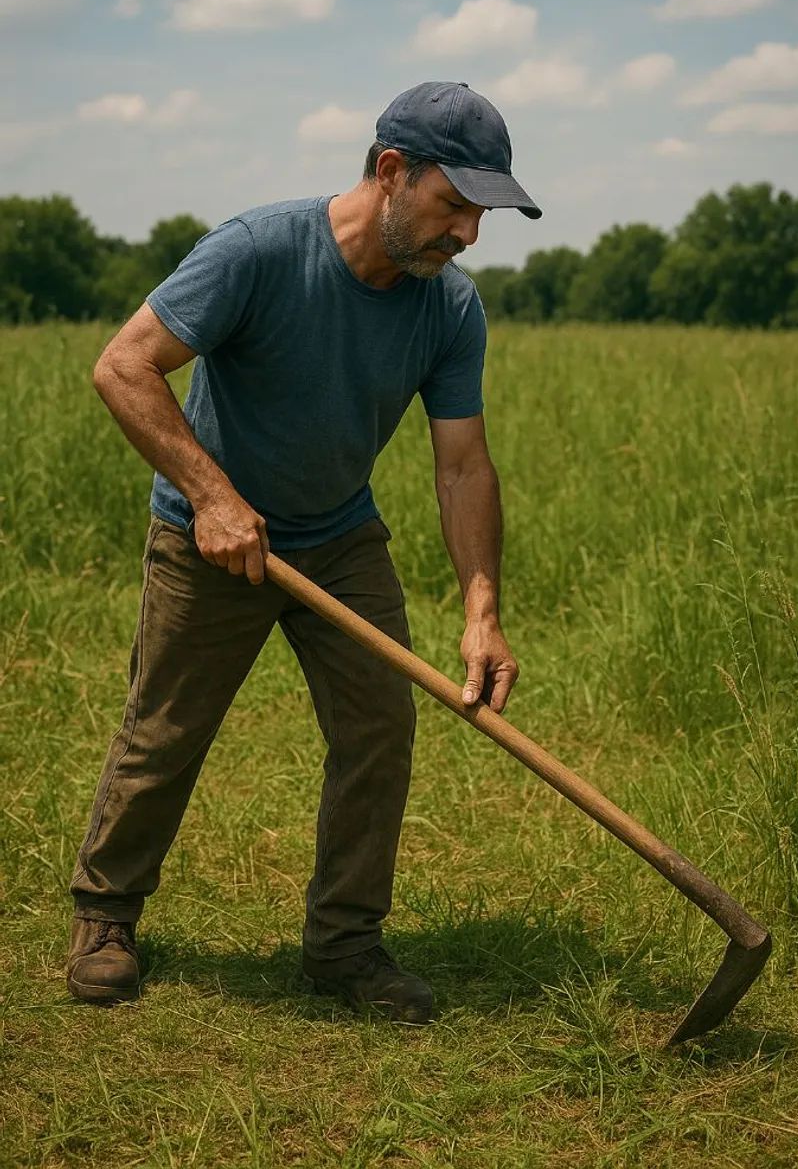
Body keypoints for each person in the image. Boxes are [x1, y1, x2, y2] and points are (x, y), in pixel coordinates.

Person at [66, 81, 541, 1023]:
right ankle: (106, 916)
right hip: (211, 539)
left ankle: (343, 946)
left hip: (339, 536)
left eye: (481, 216)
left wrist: (481, 611)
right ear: (390, 171)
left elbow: (462, 468)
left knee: (379, 731)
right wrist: (212, 498)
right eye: (454, 207)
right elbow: (122, 366)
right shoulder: (259, 251)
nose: (467, 237)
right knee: (165, 732)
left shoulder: (447, 308)